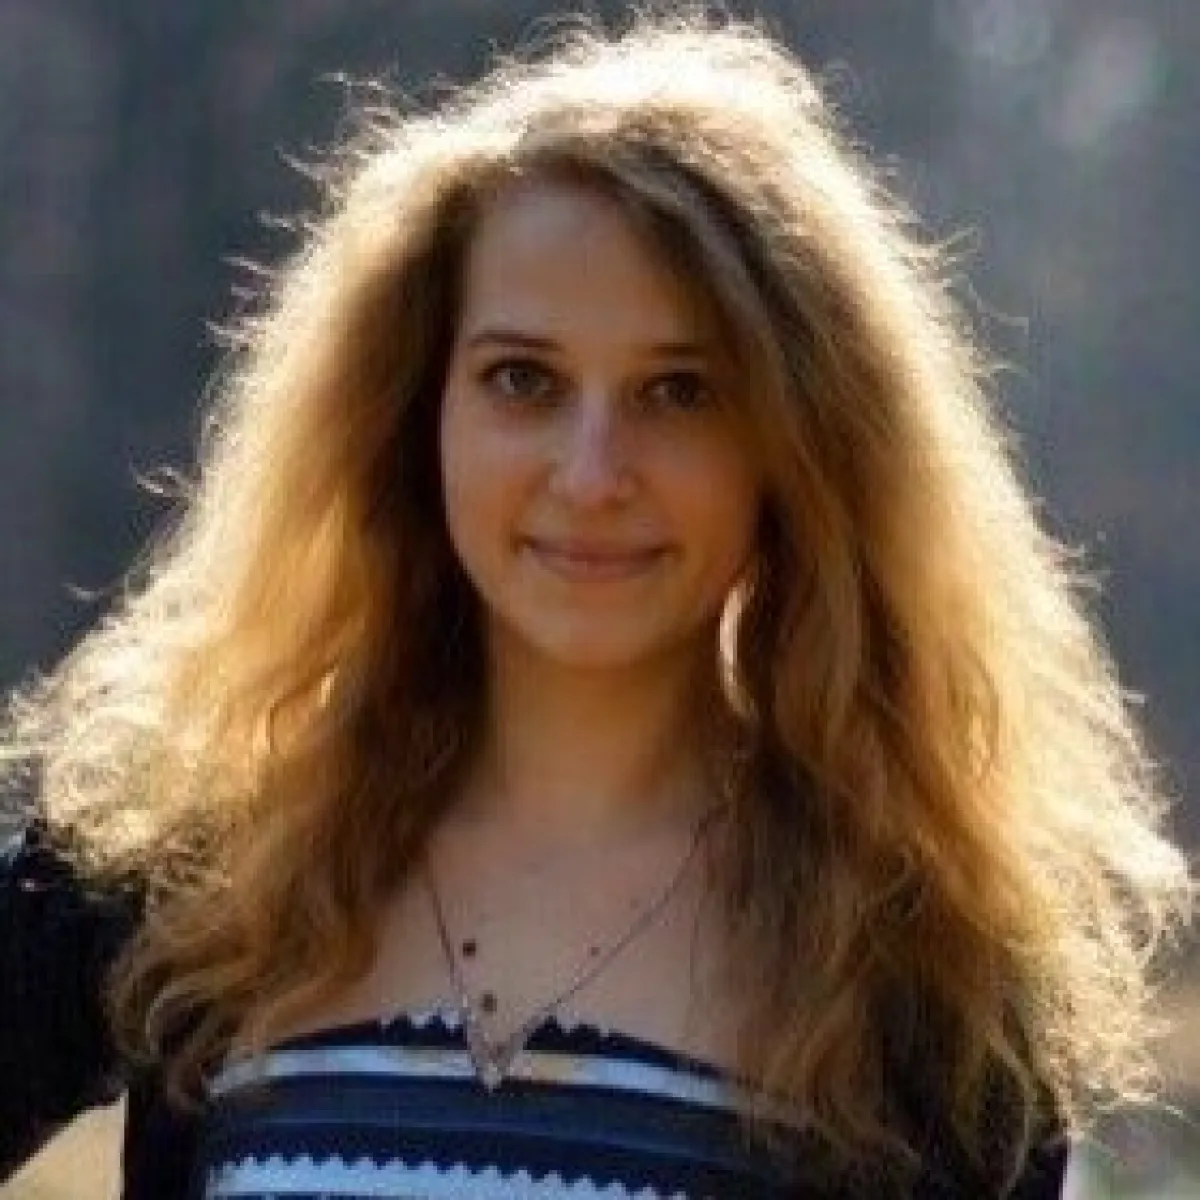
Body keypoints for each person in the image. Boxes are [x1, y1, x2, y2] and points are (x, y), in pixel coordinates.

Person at [0, 11, 1193, 1199]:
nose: (590, 474)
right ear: (417, 413)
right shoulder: (197, 874)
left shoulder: (925, 979)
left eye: (680, 392)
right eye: (523, 380)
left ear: (797, 445)